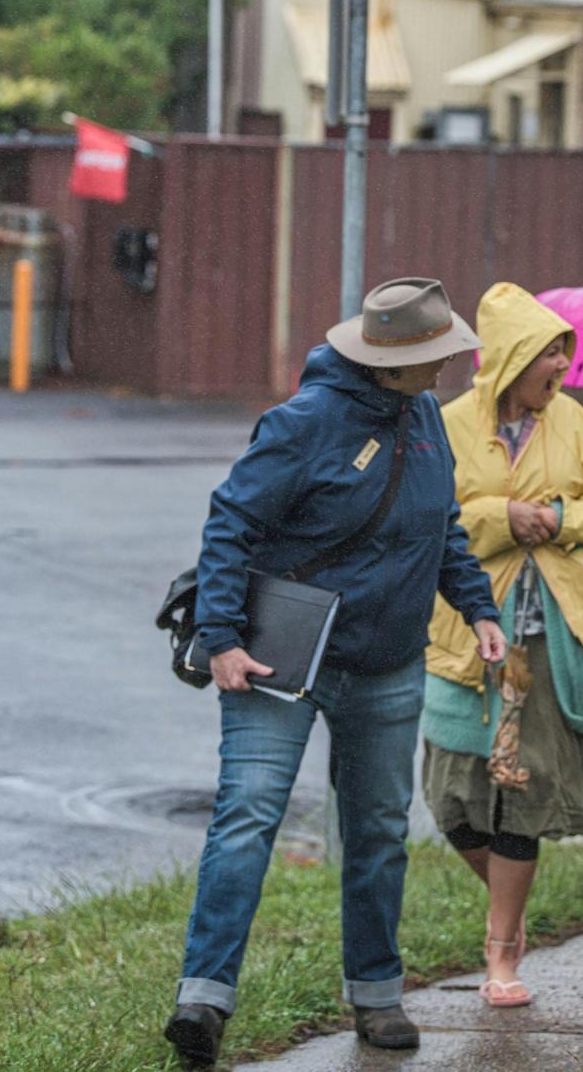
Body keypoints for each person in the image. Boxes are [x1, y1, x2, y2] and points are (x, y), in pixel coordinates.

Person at [163, 279, 505, 1066]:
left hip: (388, 665)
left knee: (379, 832)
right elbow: (231, 522)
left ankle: (377, 994)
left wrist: (478, 607)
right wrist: (219, 636)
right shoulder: (305, 422)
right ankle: (203, 999)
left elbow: (440, 525)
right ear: (392, 361)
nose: (449, 365)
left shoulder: (422, 416)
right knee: (248, 817)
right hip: (279, 661)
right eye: (436, 355)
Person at [422, 282, 583, 1008]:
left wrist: (558, 513)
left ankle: (503, 953)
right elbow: (432, 513)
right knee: (451, 796)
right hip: (466, 637)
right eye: (548, 353)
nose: (561, 367)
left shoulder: (577, 424)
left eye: (562, 352)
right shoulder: (447, 424)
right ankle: (510, 902)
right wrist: (500, 516)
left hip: (552, 641)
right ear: (511, 359)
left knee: (523, 795)